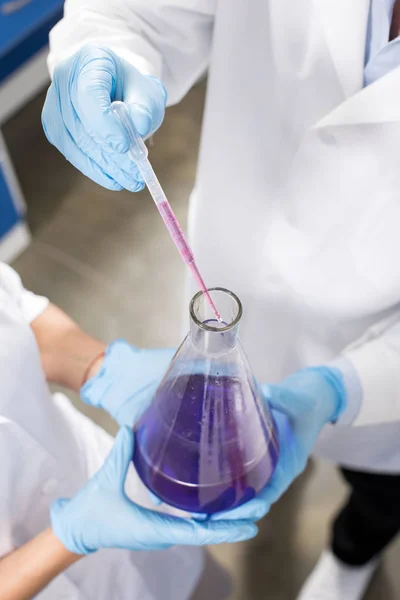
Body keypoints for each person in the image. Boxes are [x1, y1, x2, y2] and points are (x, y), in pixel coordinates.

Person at [41, 0, 400, 598]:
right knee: (261, 437)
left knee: (382, 491)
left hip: (383, 364)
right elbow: (139, 13)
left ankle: (349, 559)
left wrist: (342, 387)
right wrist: (105, 50)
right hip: (239, 261)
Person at [0, 262, 259, 600]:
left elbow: (16, 312)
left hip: (116, 479)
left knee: (197, 583)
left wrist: (104, 368)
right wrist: (70, 537)